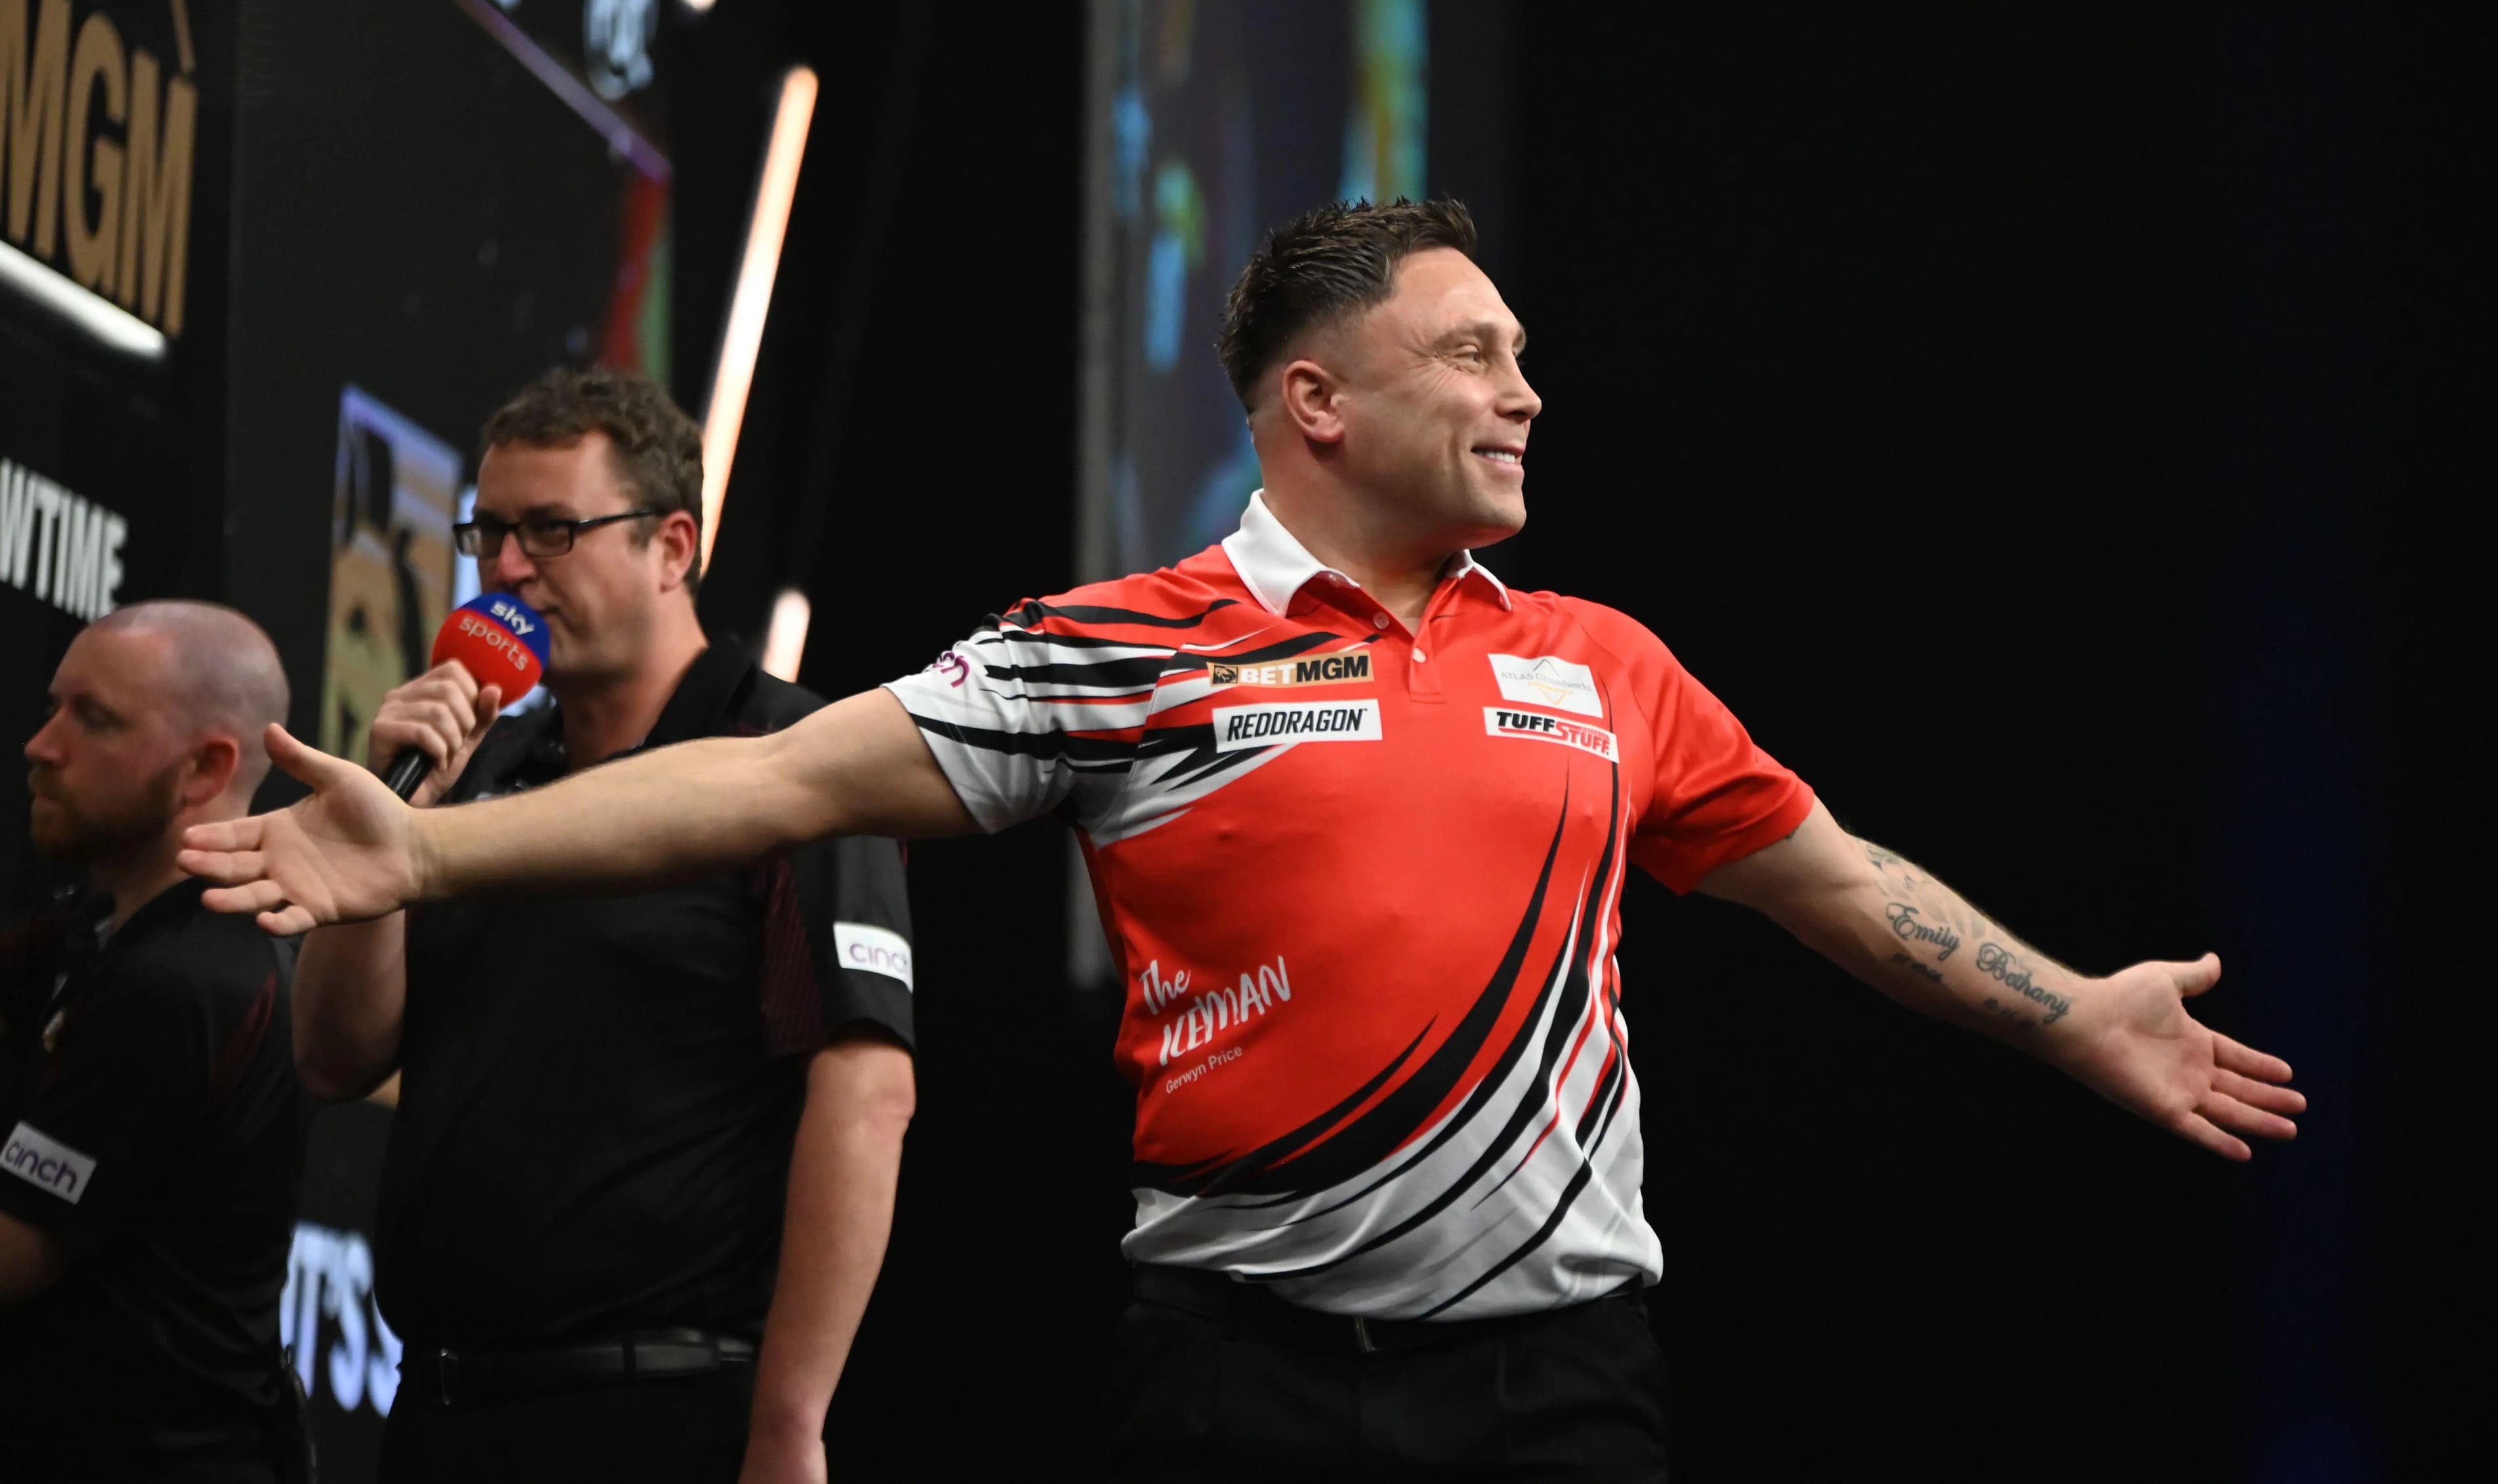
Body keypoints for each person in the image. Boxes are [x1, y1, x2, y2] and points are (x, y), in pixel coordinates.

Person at [181, 202, 2306, 1483]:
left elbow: (1839, 880)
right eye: (1474, 352)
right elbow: (780, 779)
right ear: (1318, 403)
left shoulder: (1603, 663)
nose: (1526, 391)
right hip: (1233, 1382)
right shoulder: (1128, 647)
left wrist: (2070, 1010)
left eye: (1524, 356)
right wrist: (431, 859)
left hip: (1563, 1387)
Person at [285, 370, 916, 1484]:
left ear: (673, 548)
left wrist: (789, 1425)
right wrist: (390, 816)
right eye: (489, 533)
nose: (507, 570)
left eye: (552, 530)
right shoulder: (478, 771)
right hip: (436, 1412)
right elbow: (335, 1058)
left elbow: (866, 1094)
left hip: (659, 1415)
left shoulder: (793, 764)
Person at [1, 601, 308, 1482]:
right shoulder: (104, 934)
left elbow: (11, 1255)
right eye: (52, 708)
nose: (41, 745)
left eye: (92, 719)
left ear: (205, 769)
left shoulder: (182, 982)